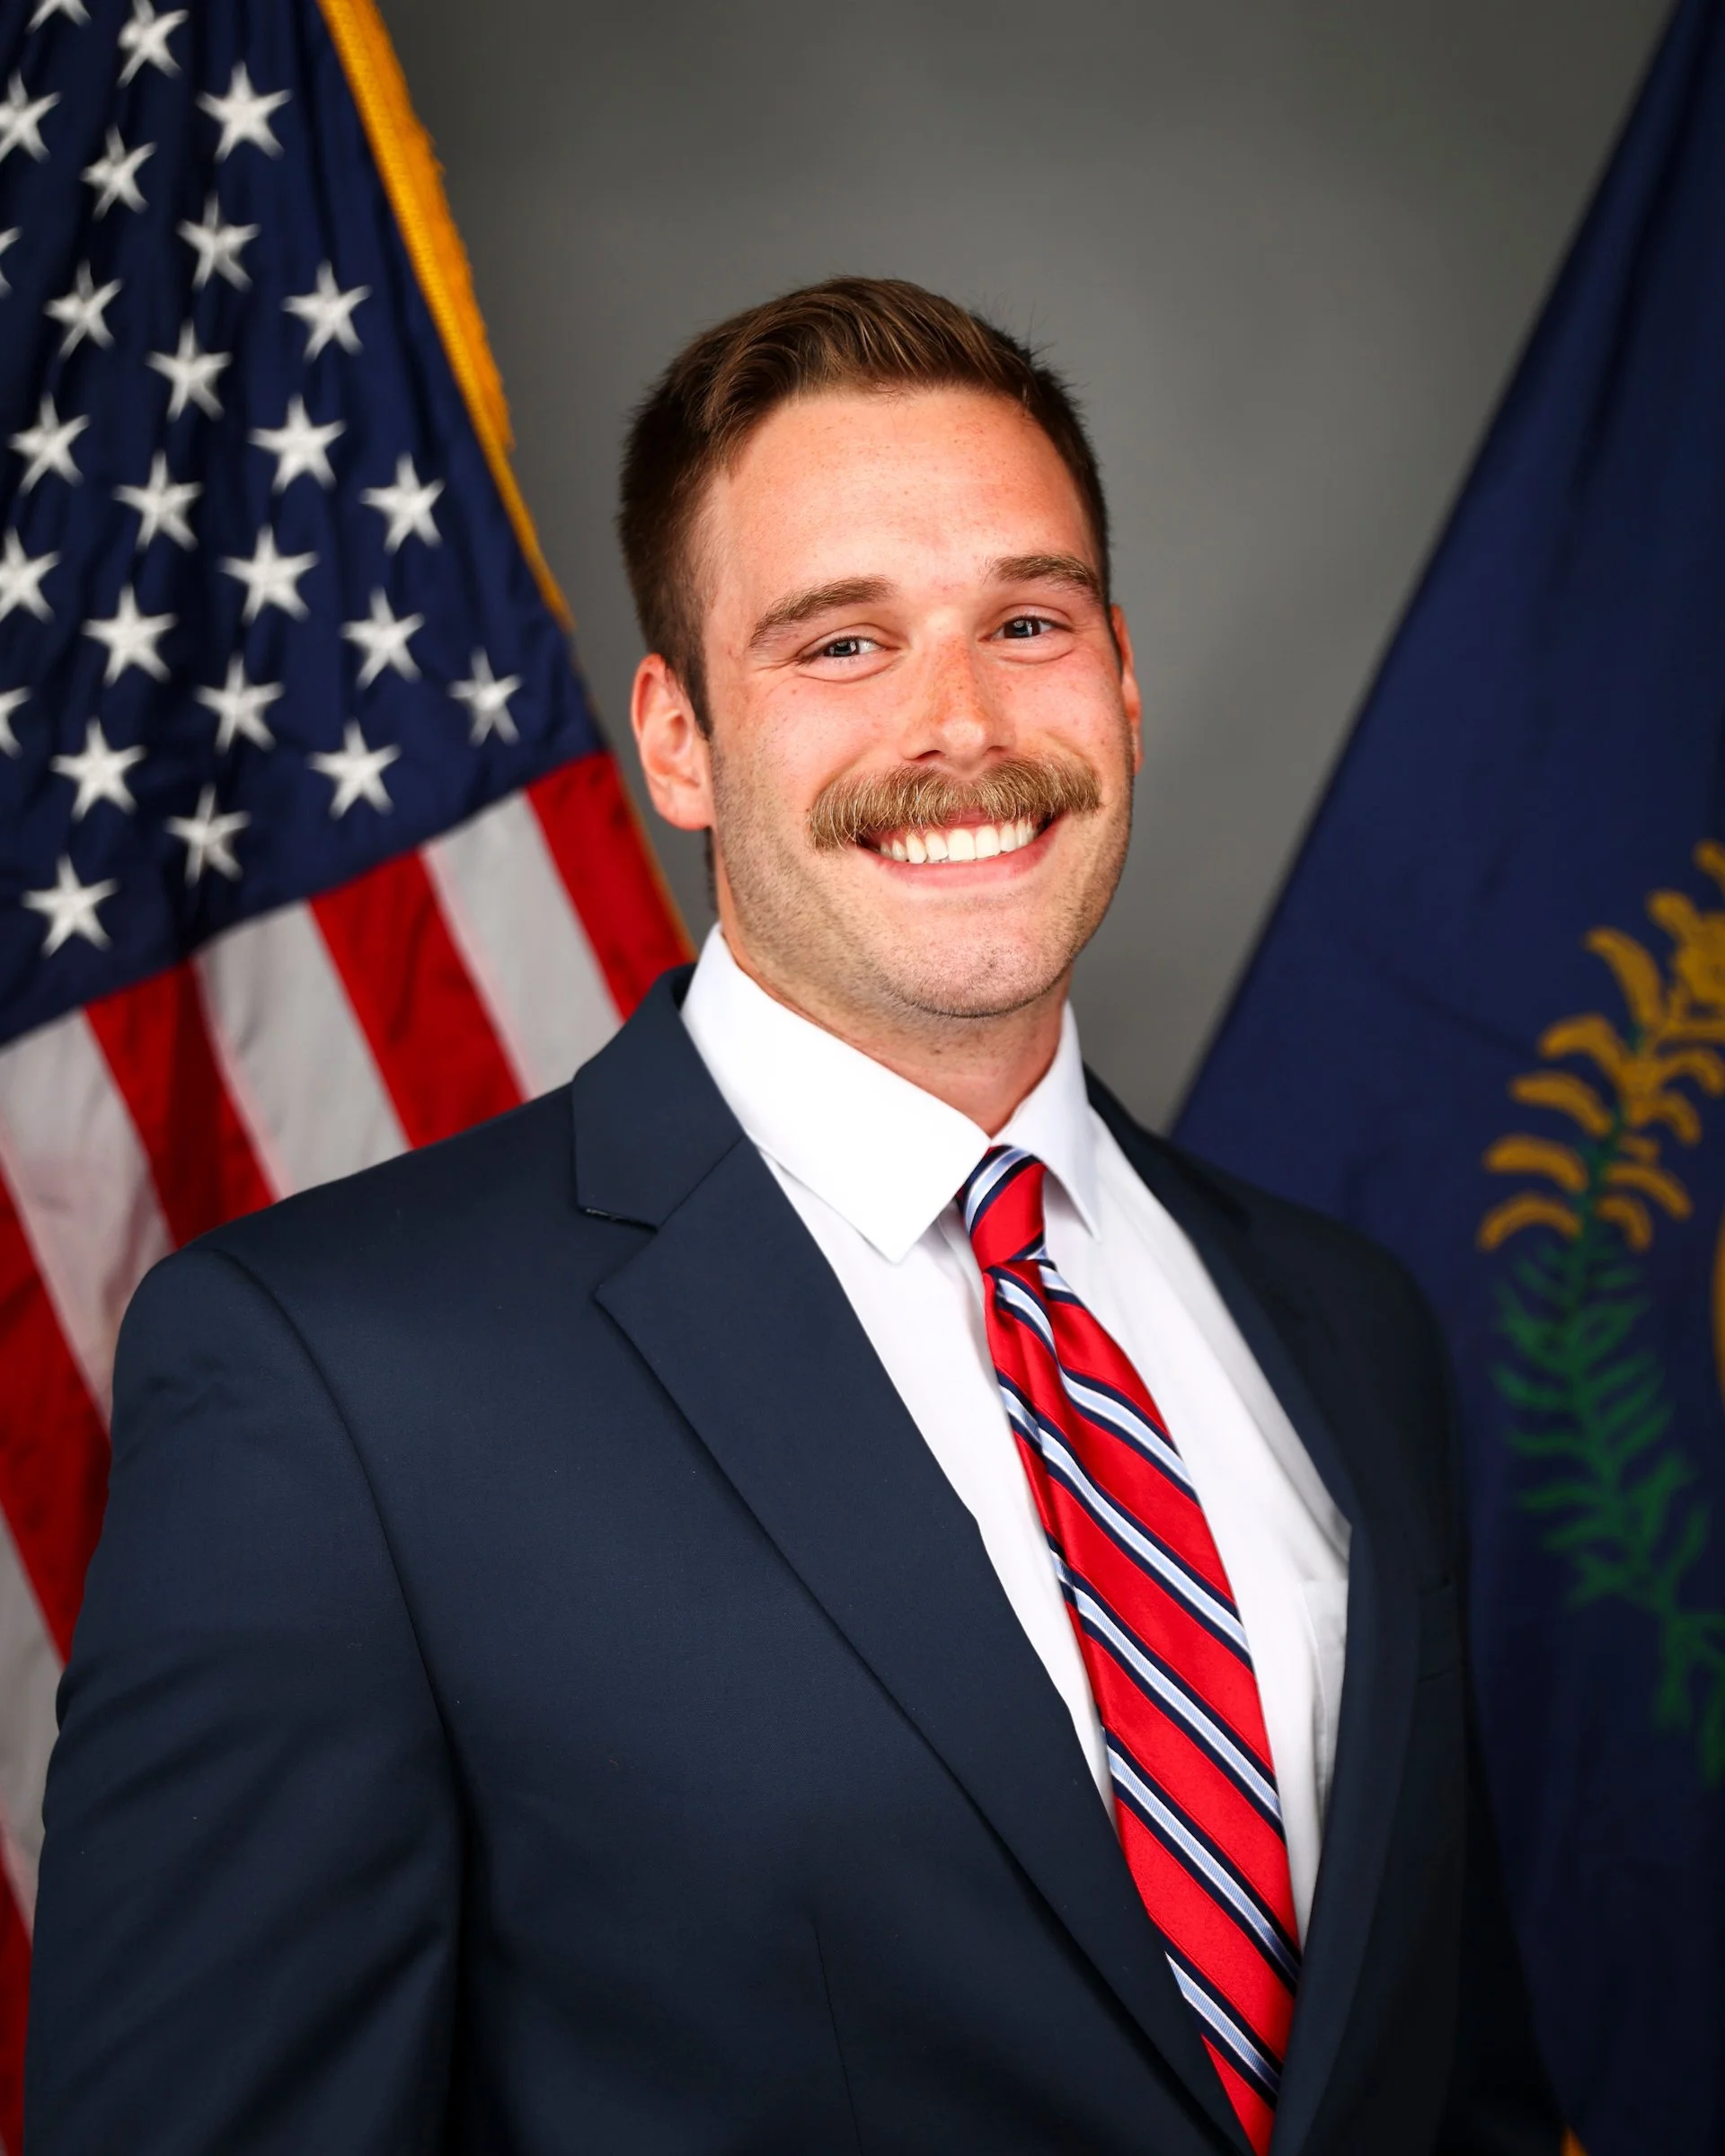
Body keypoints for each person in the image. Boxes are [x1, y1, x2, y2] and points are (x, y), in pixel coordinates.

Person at [26, 278, 1562, 2155]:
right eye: (841, 645)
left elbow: (1454, 2087)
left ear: (1128, 683)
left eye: (1028, 619)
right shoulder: (331, 1384)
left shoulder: (1346, 1324)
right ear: (678, 741)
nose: (964, 724)